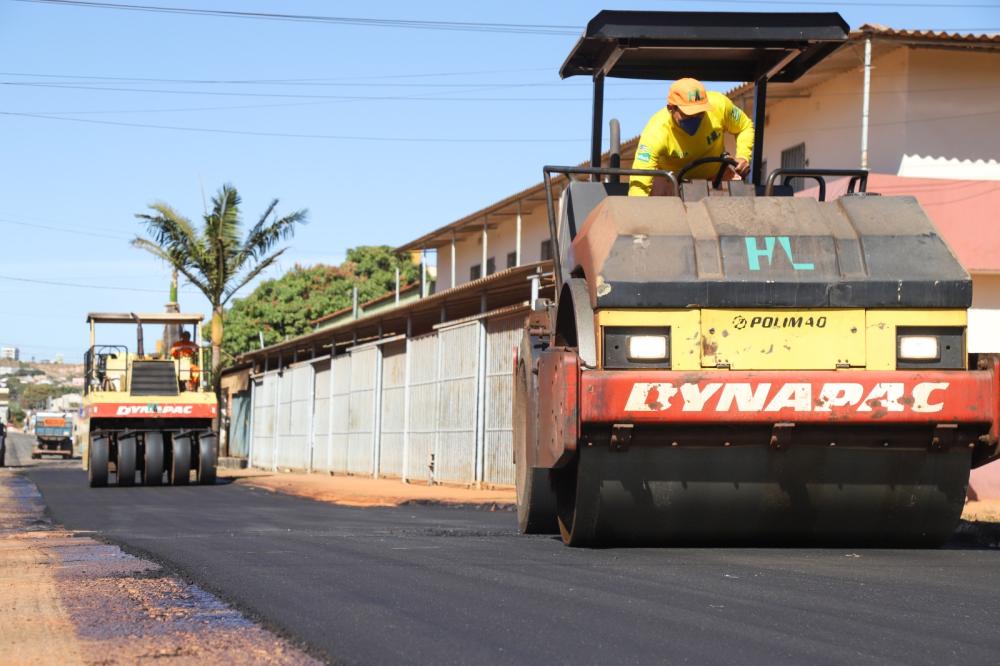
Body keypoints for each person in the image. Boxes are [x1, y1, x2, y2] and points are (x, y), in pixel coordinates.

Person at [629, 78, 754, 196]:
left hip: (716, 177)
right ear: (671, 108)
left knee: (738, 191)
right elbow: (640, 179)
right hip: (673, 182)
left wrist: (743, 156)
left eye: (700, 113)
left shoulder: (719, 105)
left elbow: (745, 126)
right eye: (688, 114)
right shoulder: (656, 132)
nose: (695, 119)